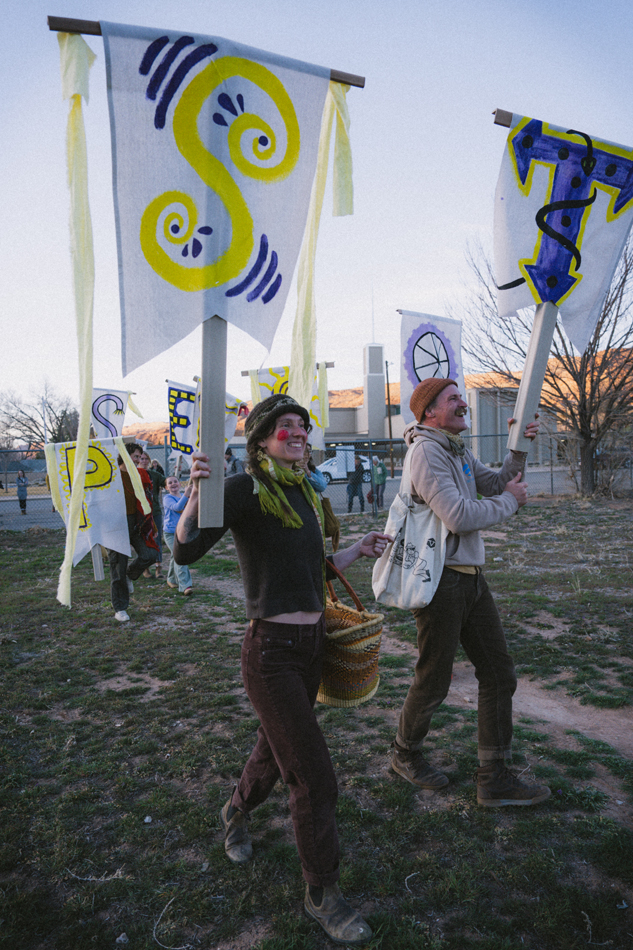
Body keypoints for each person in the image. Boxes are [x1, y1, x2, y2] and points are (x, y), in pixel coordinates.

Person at [174, 394, 391, 946]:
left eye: (301, 425)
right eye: (283, 426)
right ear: (262, 438)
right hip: (270, 652)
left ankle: (235, 809)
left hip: (313, 644)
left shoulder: (306, 491)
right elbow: (187, 554)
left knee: (275, 748)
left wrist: (356, 551)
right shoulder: (245, 490)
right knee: (313, 775)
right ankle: (323, 893)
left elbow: (311, 569)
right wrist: (198, 496)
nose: (296, 432)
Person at [390, 377, 551, 808]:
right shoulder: (425, 452)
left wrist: (518, 446)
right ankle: (404, 754)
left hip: (471, 578)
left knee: (499, 674)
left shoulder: (456, 449)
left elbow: (498, 485)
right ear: (430, 413)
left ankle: (494, 778)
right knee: (434, 678)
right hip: (441, 582)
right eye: (453, 398)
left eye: (461, 396)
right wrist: (513, 503)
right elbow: (459, 516)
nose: (463, 402)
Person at [108, 442, 158, 623]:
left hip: (136, 524)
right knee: (117, 568)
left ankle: (131, 575)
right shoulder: (111, 475)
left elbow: (148, 501)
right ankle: (120, 608)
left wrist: (151, 525)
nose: (138, 460)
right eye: (135, 456)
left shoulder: (140, 475)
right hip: (116, 525)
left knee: (151, 554)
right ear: (124, 455)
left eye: (139, 457)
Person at [163, 475, 193, 595]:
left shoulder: (183, 497)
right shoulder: (167, 498)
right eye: (170, 483)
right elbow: (177, 507)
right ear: (166, 487)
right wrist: (186, 494)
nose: (173, 484)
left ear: (180, 484)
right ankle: (185, 586)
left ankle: (171, 579)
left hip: (182, 532)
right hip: (170, 533)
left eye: (175, 481)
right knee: (180, 555)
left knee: (174, 556)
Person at [139, 451, 166, 578]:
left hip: (155, 511)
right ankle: (145, 567)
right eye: (141, 458)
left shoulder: (154, 475)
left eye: (146, 459)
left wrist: (177, 475)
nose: (144, 461)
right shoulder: (132, 475)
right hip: (140, 513)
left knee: (157, 538)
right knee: (143, 539)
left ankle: (158, 567)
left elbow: (167, 483)